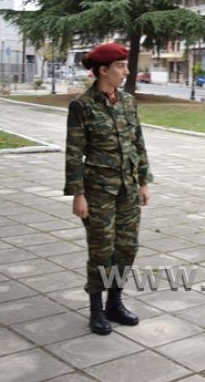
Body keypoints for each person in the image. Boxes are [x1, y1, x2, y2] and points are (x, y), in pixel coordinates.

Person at [64, 43, 152, 335]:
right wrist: (78, 193)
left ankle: (115, 303)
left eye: (126, 66)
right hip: (98, 191)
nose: (127, 71)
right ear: (103, 70)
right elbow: (74, 152)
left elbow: (138, 142)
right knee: (102, 251)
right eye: (120, 67)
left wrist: (143, 181)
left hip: (127, 188)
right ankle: (96, 310)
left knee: (126, 248)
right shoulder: (82, 105)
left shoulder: (128, 101)